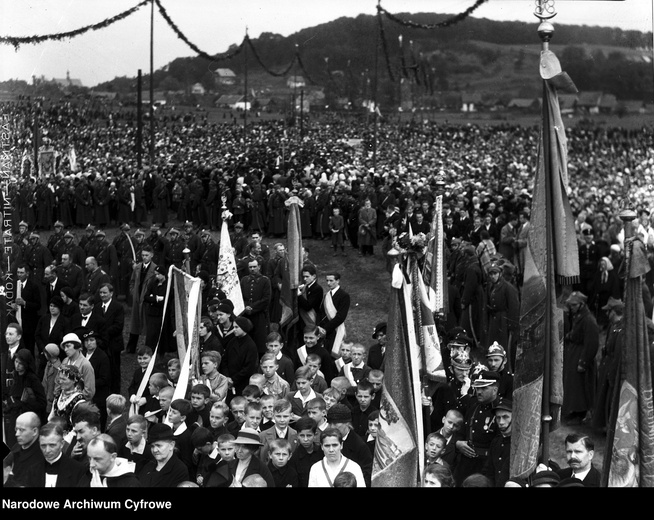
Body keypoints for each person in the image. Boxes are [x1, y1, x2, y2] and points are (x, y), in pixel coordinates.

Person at [453, 371, 500, 486]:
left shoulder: (501, 410)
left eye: (484, 388)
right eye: (478, 387)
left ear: (495, 390)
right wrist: (458, 443)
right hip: (465, 465)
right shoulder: (474, 406)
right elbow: (460, 432)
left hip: (486, 466)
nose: (479, 391)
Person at [562, 291, 599, 425]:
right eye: (570, 305)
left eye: (574, 305)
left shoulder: (589, 320)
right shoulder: (578, 316)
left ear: (582, 305)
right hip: (574, 354)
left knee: (580, 388)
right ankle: (574, 411)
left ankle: (580, 413)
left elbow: (592, 343)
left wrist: (583, 362)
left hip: (581, 356)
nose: (571, 307)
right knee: (573, 386)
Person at [592, 297, 625, 432]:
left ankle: (610, 427)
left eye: (609, 311)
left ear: (614, 312)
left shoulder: (622, 329)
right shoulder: (613, 326)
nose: (606, 314)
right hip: (607, 366)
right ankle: (604, 424)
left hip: (614, 369)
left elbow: (618, 354)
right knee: (604, 397)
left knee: (611, 399)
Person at [326, 403, 372, 486]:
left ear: (347, 423)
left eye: (336, 423)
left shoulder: (359, 446)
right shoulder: (326, 440)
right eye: (330, 423)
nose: (332, 427)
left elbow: (366, 477)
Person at [4, 349, 47, 438]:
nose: (17, 365)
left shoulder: (33, 379)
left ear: (26, 364)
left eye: (20, 363)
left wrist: (22, 404)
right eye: (16, 362)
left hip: (28, 419)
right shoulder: (16, 376)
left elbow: (42, 403)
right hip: (15, 415)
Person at [34, 422, 87, 487]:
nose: (47, 450)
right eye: (43, 446)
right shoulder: (32, 469)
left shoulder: (78, 470)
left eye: (52, 445)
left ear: (62, 444)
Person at [138, 423, 190, 487]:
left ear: (171, 445)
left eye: (158, 446)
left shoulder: (180, 470)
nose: (154, 450)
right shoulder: (148, 466)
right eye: (152, 446)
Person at [126, 245, 158, 354]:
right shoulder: (138, 267)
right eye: (143, 255)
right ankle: (130, 348)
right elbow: (132, 281)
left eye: (146, 255)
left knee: (147, 326)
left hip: (147, 301)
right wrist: (133, 292)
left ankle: (148, 349)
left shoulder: (155, 269)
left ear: (152, 255)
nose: (144, 257)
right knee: (134, 325)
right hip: (137, 300)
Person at [484, 263, 519, 355]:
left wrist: (511, 325)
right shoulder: (490, 287)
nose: (493, 276)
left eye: (495, 274)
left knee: (503, 346)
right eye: (491, 274)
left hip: (503, 320)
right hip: (494, 319)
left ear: (500, 274)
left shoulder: (508, 287)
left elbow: (513, 307)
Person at [96, 282, 125, 393]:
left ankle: (115, 393)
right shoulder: (97, 307)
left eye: (105, 292)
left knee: (114, 370)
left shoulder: (118, 307)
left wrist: (104, 333)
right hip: (100, 344)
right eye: (101, 293)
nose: (102, 295)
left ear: (111, 293)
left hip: (113, 344)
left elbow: (118, 325)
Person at [221, 316, 259, 398]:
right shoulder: (231, 342)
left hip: (242, 384)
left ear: (243, 327)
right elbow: (224, 361)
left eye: (236, 327)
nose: (234, 329)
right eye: (233, 327)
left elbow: (248, 368)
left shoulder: (250, 345)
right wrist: (227, 377)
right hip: (228, 382)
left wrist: (234, 380)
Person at [240, 257, 272, 356]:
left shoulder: (265, 280)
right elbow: (239, 296)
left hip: (260, 316)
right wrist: (245, 307)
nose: (252, 269)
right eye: (250, 267)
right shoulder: (244, 280)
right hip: (246, 315)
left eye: (254, 267)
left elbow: (266, 299)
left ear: (259, 267)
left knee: (260, 342)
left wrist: (252, 308)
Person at [317, 272, 350, 360]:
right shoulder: (326, 295)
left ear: (338, 281)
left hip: (335, 330)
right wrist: (319, 327)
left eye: (331, 281)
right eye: (327, 281)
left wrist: (326, 329)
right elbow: (320, 312)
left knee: (332, 358)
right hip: (323, 332)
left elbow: (341, 317)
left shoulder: (344, 296)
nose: (328, 283)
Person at [6, 411, 44, 487]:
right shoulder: (17, 447)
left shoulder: (42, 455)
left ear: (34, 431)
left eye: (21, 430)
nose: (17, 434)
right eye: (16, 429)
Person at [82, 329, 111, 427]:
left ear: (96, 341)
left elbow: (104, 379)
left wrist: (87, 382)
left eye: (91, 340)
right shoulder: (82, 355)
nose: (89, 343)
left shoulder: (102, 357)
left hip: (98, 396)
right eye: (86, 341)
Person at [482, 397, 512, 487]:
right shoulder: (496, 442)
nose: (501, 422)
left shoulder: (520, 442)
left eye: (505, 417)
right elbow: (489, 471)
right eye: (498, 418)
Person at [48, 364, 87, 432]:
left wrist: (66, 441)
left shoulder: (79, 401)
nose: (60, 382)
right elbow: (51, 417)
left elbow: (77, 428)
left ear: (74, 380)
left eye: (64, 379)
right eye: (60, 378)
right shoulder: (58, 395)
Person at [59, 332, 96, 402]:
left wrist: (74, 401)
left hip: (79, 406)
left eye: (68, 346)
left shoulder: (86, 365)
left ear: (76, 346)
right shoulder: (65, 361)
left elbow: (89, 391)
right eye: (64, 347)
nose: (65, 349)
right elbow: (58, 383)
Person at [259, 398, 298, 463]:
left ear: (291, 416)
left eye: (285, 416)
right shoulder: (262, 436)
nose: (282, 420)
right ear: (273, 416)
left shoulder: (296, 435)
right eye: (278, 416)